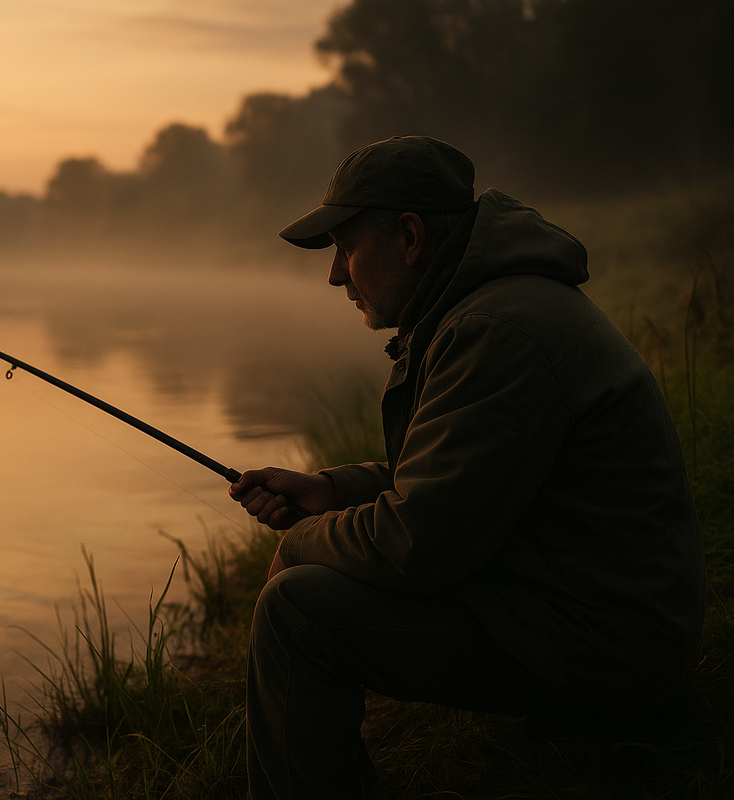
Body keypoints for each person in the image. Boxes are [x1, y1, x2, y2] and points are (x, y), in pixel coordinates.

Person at [229, 136, 706, 799]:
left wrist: (302, 540)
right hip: (572, 606)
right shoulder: (482, 312)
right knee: (311, 585)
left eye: (346, 247)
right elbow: (456, 471)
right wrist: (332, 489)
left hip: (607, 647)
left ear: (410, 235)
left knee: (296, 613)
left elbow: (417, 545)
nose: (336, 274)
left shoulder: (497, 330)